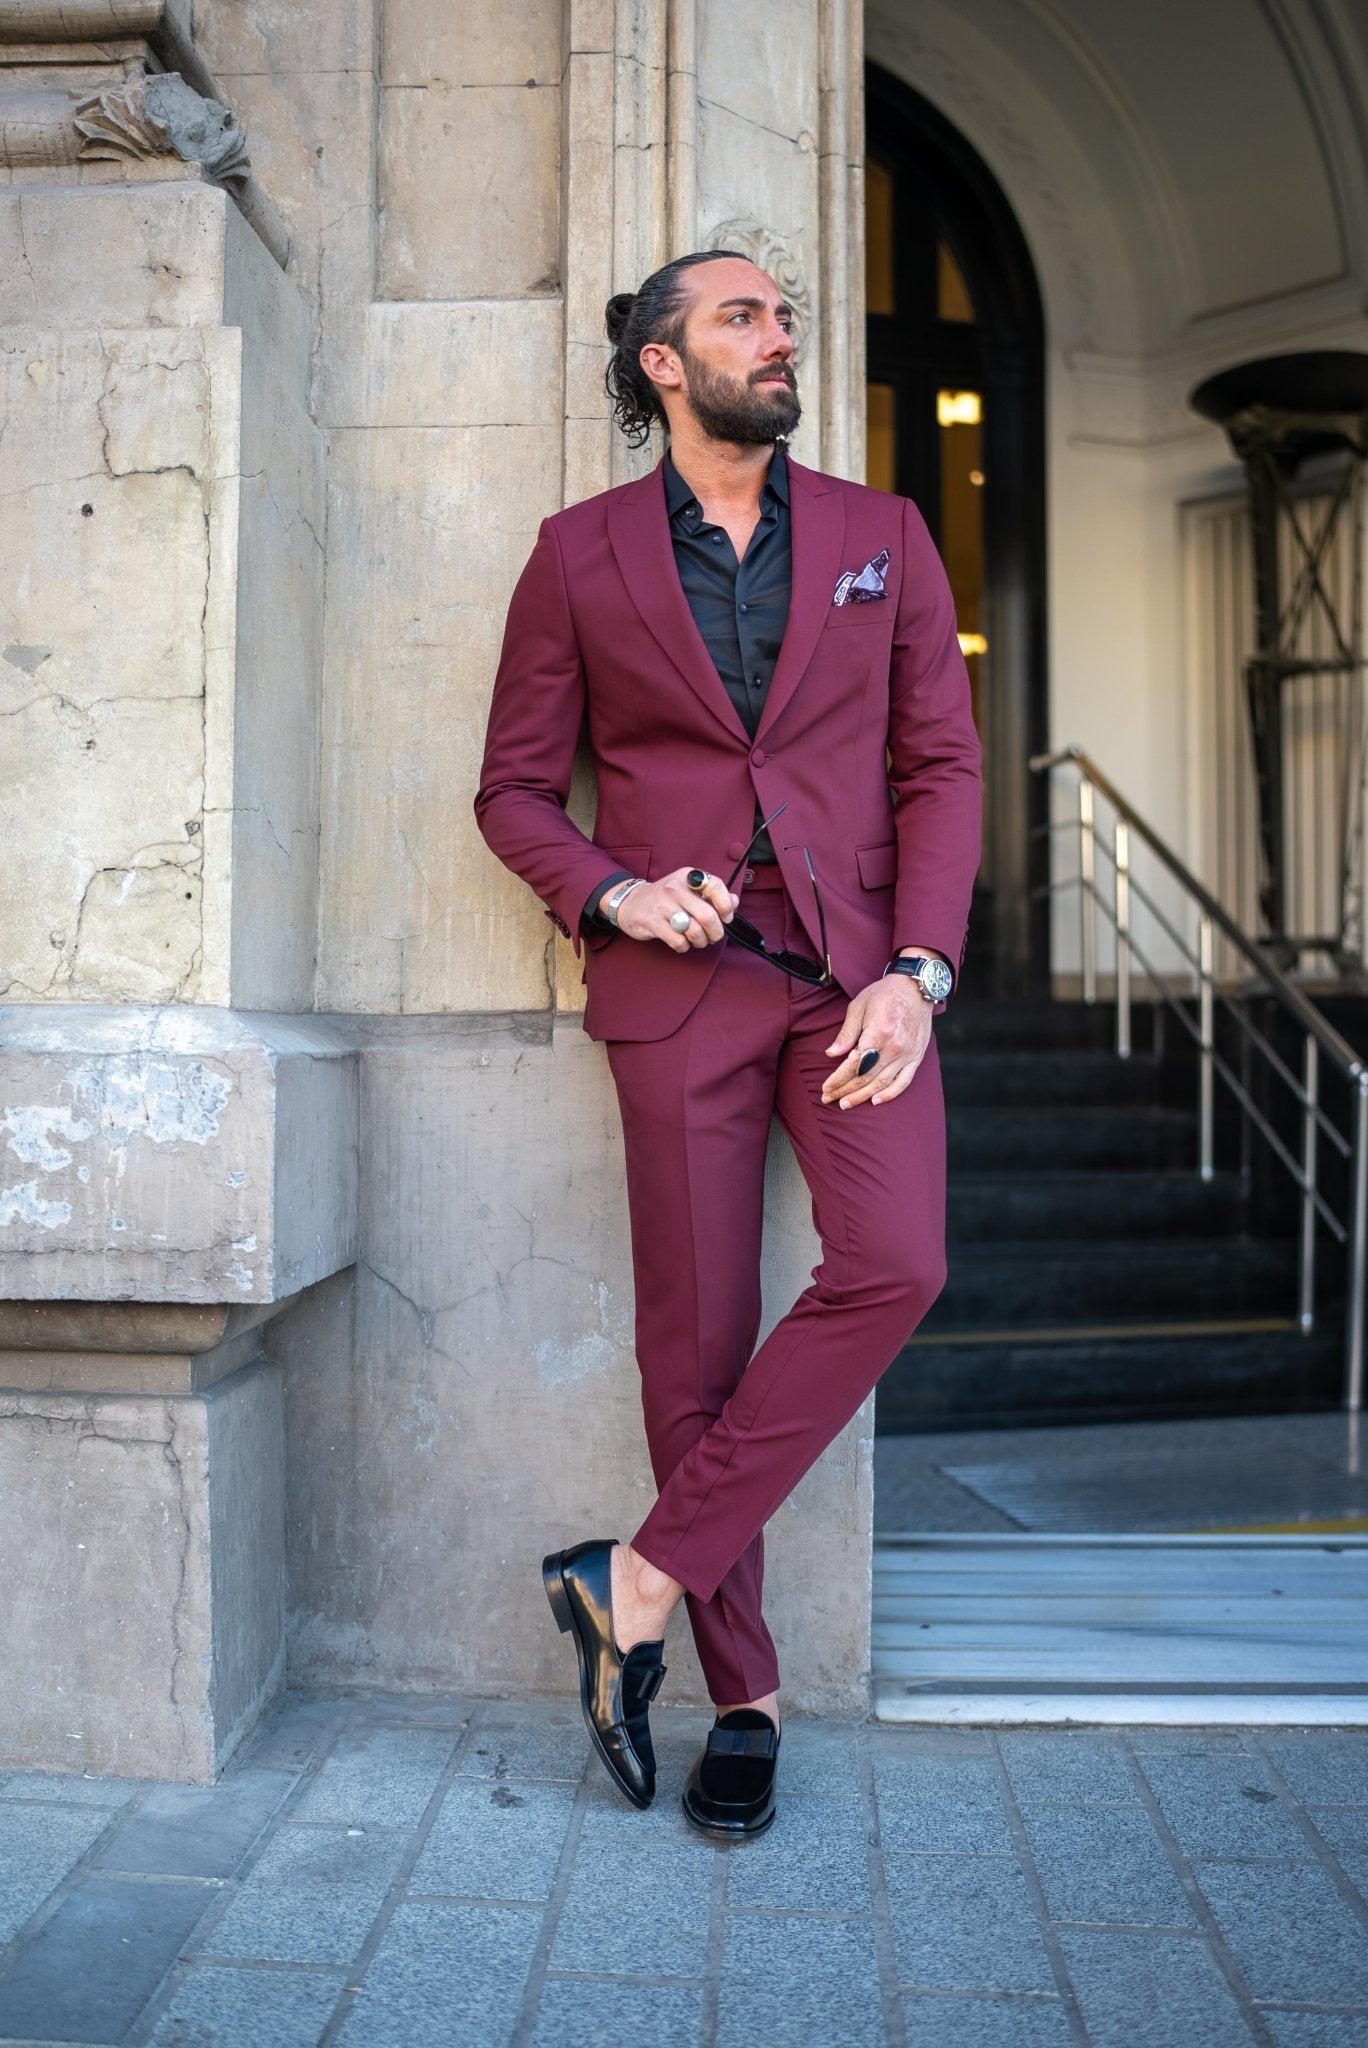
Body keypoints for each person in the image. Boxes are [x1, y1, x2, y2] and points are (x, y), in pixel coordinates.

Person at [475, 249, 981, 1839]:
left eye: (786, 318)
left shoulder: (882, 537)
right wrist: (615, 892)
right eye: (744, 318)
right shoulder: (577, 557)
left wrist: (920, 970)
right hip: (678, 991)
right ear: (662, 366)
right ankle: (741, 1695)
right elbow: (510, 791)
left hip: (852, 984)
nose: (783, 337)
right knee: (690, 1349)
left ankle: (628, 1584)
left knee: (896, 1260)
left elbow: (943, 767)